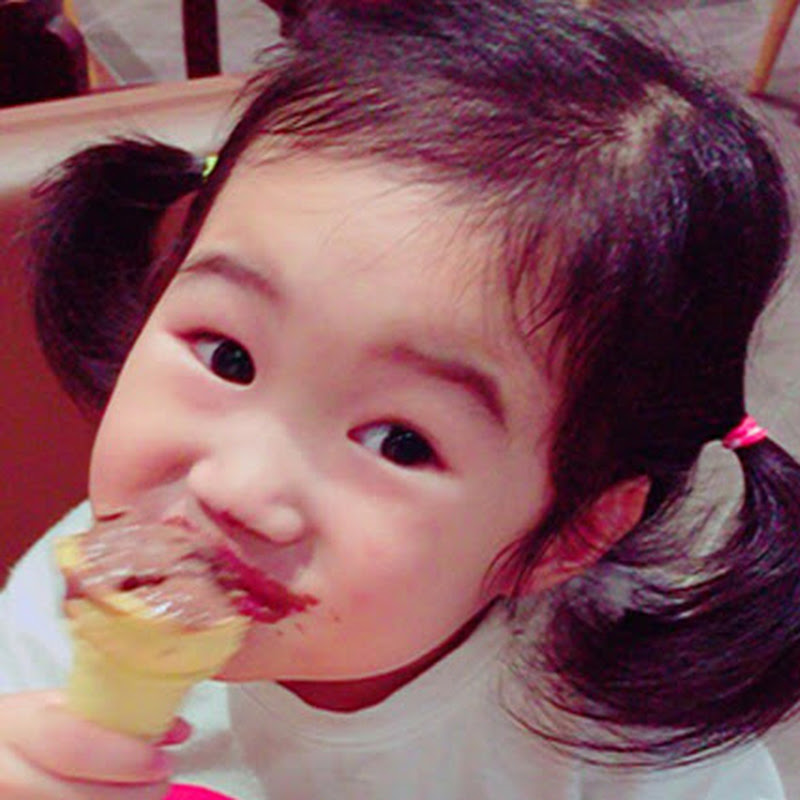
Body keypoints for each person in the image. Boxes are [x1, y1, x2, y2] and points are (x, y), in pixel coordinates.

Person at [1, 1, 798, 797]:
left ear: (569, 535)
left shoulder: (631, 753)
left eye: (401, 442)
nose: (236, 489)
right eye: (228, 357)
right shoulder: (59, 613)